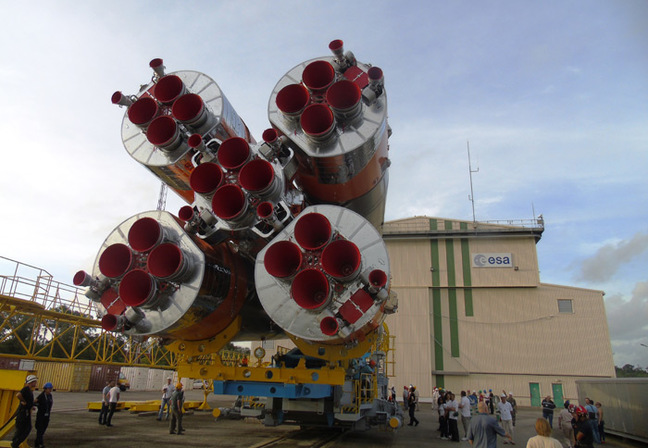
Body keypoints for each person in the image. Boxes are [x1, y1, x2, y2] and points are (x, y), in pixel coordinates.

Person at [12, 374, 38, 448]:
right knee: (22, 429)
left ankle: (16, 443)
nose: (36, 383)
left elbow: (28, 400)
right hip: (23, 413)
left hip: (26, 412)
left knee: (27, 428)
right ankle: (15, 444)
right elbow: (18, 395)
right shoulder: (26, 389)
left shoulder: (29, 390)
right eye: (35, 381)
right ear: (31, 382)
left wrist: (31, 405)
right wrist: (23, 401)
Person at [34, 382, 54, 448]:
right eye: (49, 389)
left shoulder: (50, 396)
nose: (50, 390)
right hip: (41, 415)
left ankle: (37, 443)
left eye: (51, 388)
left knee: (42, 430)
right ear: (45, 389)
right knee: (40, 430)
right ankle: (40, 443)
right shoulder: (42, 396)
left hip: (47, 415)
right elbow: (35, 401)